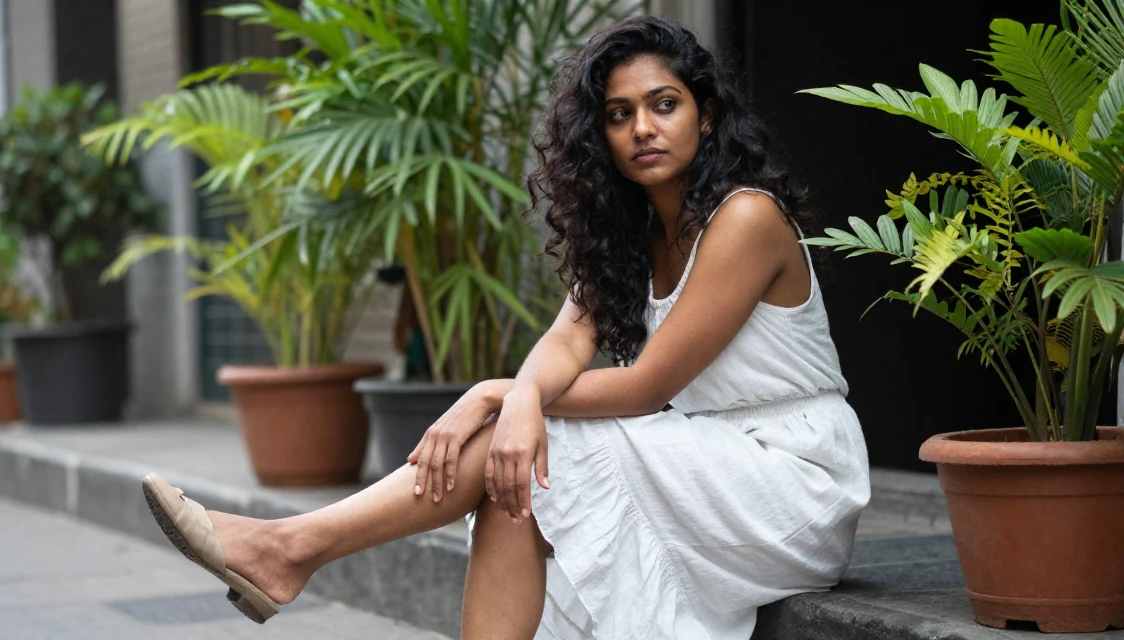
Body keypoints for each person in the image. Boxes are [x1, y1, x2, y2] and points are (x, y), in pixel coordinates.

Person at [140, 14, 870, 639]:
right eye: (619, 114)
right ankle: (287, 551)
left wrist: (499, 394)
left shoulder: (745, 217)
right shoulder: (632, 231)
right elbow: (566, 341)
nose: (642, 128)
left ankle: (291, 547)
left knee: (534, 447)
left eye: (664, 104)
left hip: (791, 479)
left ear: (705, 114)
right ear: (601, 134)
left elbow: (649, 386)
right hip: (704, 461)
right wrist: (523, 397)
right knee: (517, 472)